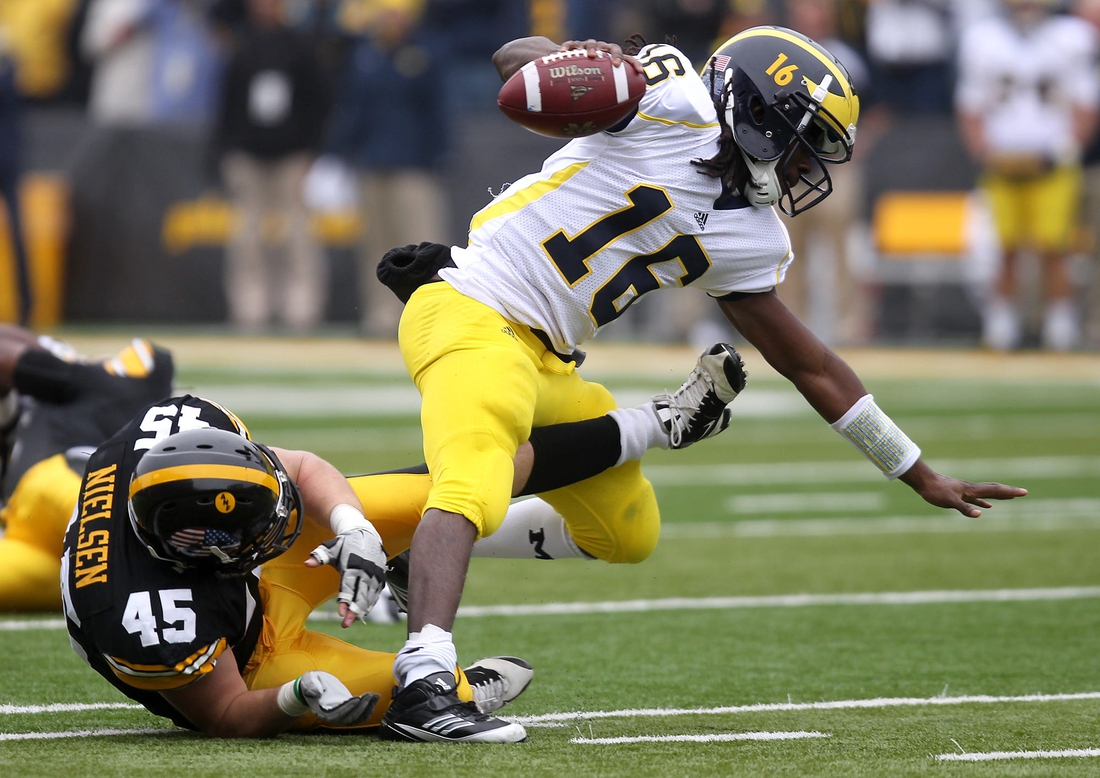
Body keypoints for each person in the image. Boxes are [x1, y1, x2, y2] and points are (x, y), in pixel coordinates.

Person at [383, 27, 1028, 744]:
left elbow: (813, 366)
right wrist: (580, 60)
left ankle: (404, 542)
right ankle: (426, 681)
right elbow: (513, 68)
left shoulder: (752, 236)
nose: (808, 163)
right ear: (756, 112)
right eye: (802, 139)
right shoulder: (664, 98)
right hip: (476, 308)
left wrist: (916, 471)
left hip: (546, 353)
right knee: (473, 476)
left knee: (625, 527)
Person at [62, 354, 744, 739]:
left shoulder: (172, 441)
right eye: (257, 537)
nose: (282, 534)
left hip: (231, 580)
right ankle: (436, 632)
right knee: (436, 698)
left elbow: (297, 469)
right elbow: (224, 713)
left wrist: (354, 530)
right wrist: (292, 701)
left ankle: (654, 425)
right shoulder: (139, 613)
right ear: (201, 550)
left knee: (465, 480)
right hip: (251, 658)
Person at [956, 0, 1099, 350]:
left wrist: (1062, 151)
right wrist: (985, 153)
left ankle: (1059, 329)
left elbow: (1085, 102)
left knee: (1055, 248)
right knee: (1003, 249)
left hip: (1052, 161)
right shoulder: (981, 38)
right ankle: (1002, 327)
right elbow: (970, 103)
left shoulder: (1073, 36)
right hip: (1001, 161)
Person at [0, 327, 174, 611]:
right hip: (35, 544)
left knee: (106, 522)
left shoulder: (96, 384)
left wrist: (44, 351)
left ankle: (152, 568)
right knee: (92, 576)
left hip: (68, 487)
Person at [212, 0, 329, 331]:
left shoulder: (301, 45)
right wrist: (227, 149)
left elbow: (316, 102)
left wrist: (310, 151)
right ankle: (250, 308)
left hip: (291, 155)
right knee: (246, 235)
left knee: (298, 232)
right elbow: (227, 101)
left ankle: (301, 308)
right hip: (248, 153)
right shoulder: (240, 44)